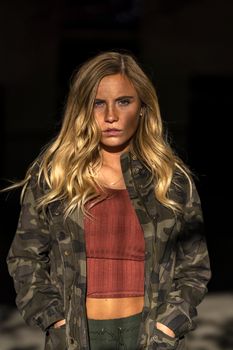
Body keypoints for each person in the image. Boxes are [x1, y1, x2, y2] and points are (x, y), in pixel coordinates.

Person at [6, 51, 211, 350]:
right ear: (82, 109)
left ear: (142, 108)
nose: (110, 116)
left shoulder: (171, 180)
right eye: (97, 103)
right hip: (75, 338)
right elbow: (24, 259)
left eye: (123, 101)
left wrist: (168, 327)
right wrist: (54, 320)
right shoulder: (55, 177)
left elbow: (195, 267)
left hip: (149, 339)